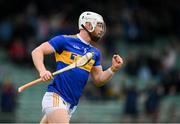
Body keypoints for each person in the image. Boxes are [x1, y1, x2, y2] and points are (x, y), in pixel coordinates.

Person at [31, 11, 123, 123]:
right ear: (88, 25)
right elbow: (37, 51)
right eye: (99, 25)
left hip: (70, 106)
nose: (101, 30)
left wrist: (113, 69)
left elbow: (99, 80)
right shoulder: (65, 40)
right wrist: (42, 71)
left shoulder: (95, 53)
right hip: (56, 97)